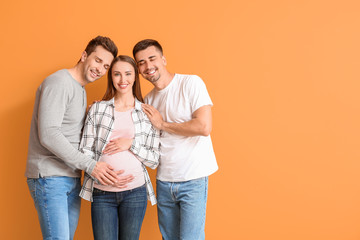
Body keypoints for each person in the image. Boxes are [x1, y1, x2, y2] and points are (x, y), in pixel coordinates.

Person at [25, 36, 133, 240]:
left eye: (106, 66)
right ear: (84, 56)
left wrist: (89, 116)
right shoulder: (59, 82)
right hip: (50, 176)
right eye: (98, 60)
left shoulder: (79, 89)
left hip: (70, 176)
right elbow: (49, 134)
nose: (100, 69)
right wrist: (91, 165)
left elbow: (69, 130)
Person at [132, 39, 218, 240]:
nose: (147, 66)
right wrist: (101, 107)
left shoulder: (190, 83)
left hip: (192, 179)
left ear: (163, 59)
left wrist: (163, 125)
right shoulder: (149, 99)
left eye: (152, 58)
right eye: (141, 62)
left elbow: (204, 127)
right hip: (164, 181)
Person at [79, 55, 161, 240]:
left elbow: (154, 159)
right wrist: (100, 173)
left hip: (135, 193)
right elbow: (85, 150)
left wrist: (131, 144)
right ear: (111, 77)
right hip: (102, 193)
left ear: (135, 77)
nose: (122, 80)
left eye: (127, 74)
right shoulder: (98, 109)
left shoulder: (146, 113)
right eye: (117, 74)